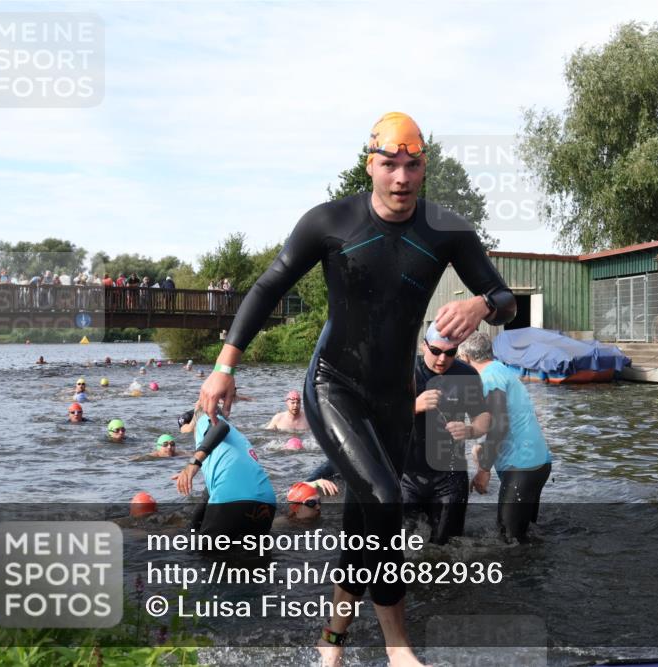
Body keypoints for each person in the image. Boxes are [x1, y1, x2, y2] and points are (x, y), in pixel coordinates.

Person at [197, 111, 515, 667]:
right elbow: (269, 285)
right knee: (387, 502)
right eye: (389, 165)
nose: (401, 178)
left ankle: (332, 644)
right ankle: (399, 650)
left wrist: (482, 302)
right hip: (333, 384)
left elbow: (506, 299)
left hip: (393, 397)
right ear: (371, 164)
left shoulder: (447, 231)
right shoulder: (331, 222)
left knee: (365, 522)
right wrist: (226, 364)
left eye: (412, 166)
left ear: (423, 167)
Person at [458, 332, 552, 543]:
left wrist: (483, 470)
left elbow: (500, 424)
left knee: (509, 542)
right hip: (538, 463)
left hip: (522, 468)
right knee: (528, 539)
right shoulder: (502, 370)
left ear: (465, 359)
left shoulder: (489, 377)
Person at [402, 323, 490, 544]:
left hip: (450, 478)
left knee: (447, 550)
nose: (442, 359)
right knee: (401, 547)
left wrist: (470, 430)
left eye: (450, 352)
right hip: (408, 477)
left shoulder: (466, 374)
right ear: (424, 346)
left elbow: (484, 419)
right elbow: (377, 417)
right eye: (436, 351)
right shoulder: (403, 370)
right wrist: (414, 406)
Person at [172, 407, 276, 542]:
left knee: (206, 558)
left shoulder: (205, 419)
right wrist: (192, 529)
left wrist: (193, 463)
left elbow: (220, 426)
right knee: (255, 558)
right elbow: (207, 495)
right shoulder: (238, 439)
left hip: (231, 500)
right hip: (267, 502)